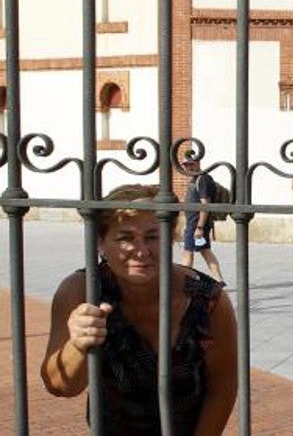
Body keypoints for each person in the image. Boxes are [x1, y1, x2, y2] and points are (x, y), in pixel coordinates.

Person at [40, 184, 238, 435]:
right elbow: (60, 386)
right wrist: (78, 346)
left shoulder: (208, 301)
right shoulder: (83, 290)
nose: (141, 251)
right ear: (100, 243)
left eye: (152, 237)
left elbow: (222, 389)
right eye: (125, 238)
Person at [180, 158, 224, 283]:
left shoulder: (202, 179)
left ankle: (185, 281)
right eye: (186, 165)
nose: (188, 167)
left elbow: (205, 204)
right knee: (205, 252)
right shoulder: (195, 179)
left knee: (187, 253)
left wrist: (199, 227)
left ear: (198, 163)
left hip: (197, 224)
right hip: (193, 223)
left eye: (191, 164)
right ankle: (219, 281)